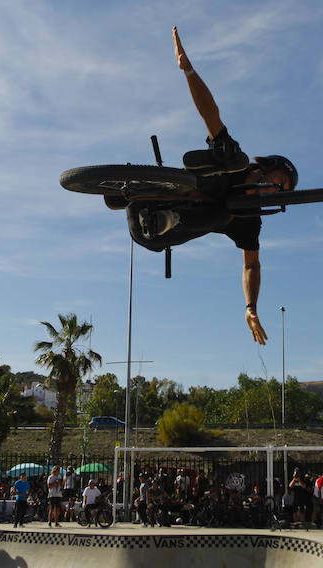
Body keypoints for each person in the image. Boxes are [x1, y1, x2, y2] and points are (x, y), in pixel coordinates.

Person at [108, 27, 299, 346]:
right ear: (265, 167)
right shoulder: (240, 166)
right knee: (231, 157)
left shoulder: (250, 219)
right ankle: (151, 187)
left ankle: (170, 215)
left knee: (226, 214)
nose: (270, 188)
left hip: (155, 234)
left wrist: (250, 307)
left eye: (278, 191)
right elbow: (211, 113)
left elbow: (251, 265)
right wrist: (188, 70)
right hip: (144, 204)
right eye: (274, 179)